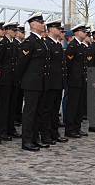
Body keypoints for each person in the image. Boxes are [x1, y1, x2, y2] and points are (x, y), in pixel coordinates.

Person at [16, 12, 50, 151]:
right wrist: (21, 81)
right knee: (30, 113)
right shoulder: (29, 42)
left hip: (41, 83)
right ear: (33, 24)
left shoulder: (41, 41)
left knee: (38, 112)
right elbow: (21, 64)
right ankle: (27, 141)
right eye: (41, 22)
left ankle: (35, 139)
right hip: (31, 83)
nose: (43, 24)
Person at [44, 19, 67, 144]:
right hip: (50, 83)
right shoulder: (47, 44)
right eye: (58, 28)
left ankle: (54, 133)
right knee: (48, 110)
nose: (60, 31)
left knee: (55, 111)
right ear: (51, 29)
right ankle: (46, 134)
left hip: (58, 83)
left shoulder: (58, 44)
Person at [64, 24, 89, 138]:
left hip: (82, 80)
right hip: (74, 81)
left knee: (79, 106)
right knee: (72, 106)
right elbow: (68, 64)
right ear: (77, 32)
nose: (85, 34)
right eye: (83, 31)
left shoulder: (82, 47)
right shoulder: (72, 46)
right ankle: (70, 129)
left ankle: (77, 127)